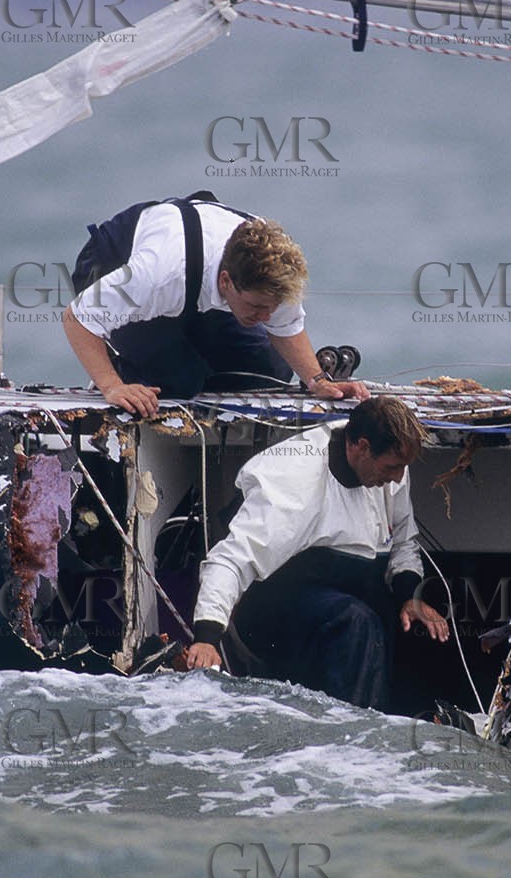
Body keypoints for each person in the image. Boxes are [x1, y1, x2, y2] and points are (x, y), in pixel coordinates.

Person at [182, 396, 449, 710]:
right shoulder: (295, 481)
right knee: (356, 623)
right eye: (390, 467)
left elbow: (403, 542)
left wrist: (409, 595)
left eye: (402, 469)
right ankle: (352, 740)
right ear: (361, 447)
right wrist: (207, 635)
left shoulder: (392, 472)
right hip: (272, 607)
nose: (396, 478)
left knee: (402, 624)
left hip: (347, 594)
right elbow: (231, 559)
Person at [62, 198, 368, 418]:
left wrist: (318, 382)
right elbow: (78, 317)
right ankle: (125, 365)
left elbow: (286, 328)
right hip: (115, 264)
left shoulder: (275, 278)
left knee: (271, 371)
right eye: (258, 307)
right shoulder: (159, 272)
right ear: (226, 281)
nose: (265, 317)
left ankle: (184, 354)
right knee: (179, 382)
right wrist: (112, 387)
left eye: (271, 308)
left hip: (193, 290)